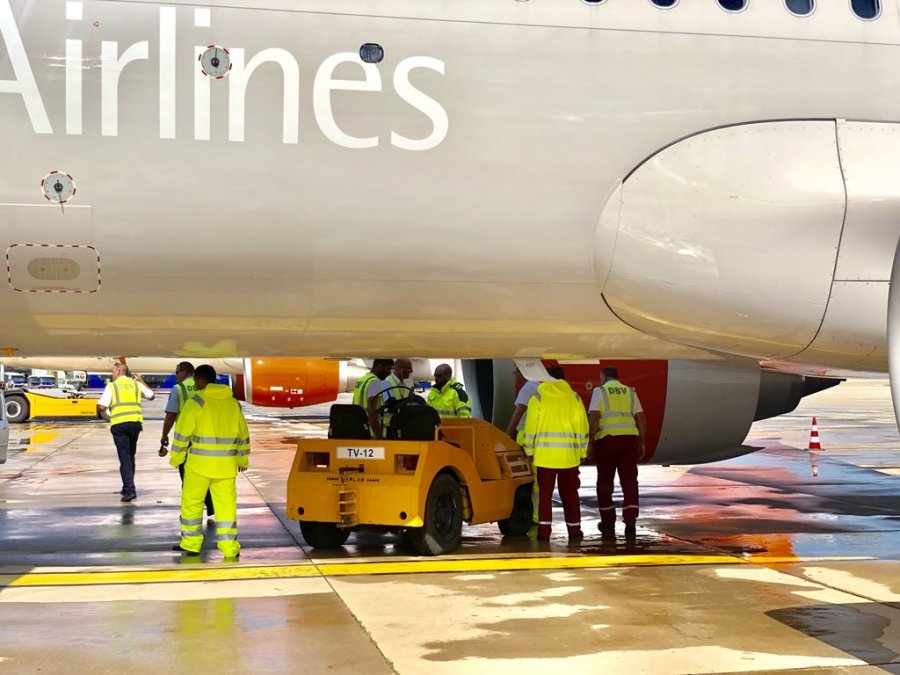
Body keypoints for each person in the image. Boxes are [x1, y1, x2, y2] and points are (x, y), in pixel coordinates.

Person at [169, 364, 250, 558]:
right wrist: (242, 459)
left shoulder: (196, 402)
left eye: (196, 380)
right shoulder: (233, 403)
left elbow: (182, 434)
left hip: (199, 466)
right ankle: (230, 548)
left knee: (192, 503)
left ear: (201, 380)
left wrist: (176, 458)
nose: (195, 383)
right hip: (226, 466)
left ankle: (191, 544)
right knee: (226, 507)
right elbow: (243, 434)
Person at [521, 365, 588, 541]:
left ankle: (544, 532)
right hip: (569, 458)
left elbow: (530, 428)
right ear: (563, 379)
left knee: (545, 495)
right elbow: (583, 427)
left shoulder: (538, 398)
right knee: (570, 494)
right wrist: (582, 452)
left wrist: (529, 450)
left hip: (545, 457)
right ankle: (574, 530)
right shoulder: (574, 398)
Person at [588, 366, 647, 537]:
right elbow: (641, 418)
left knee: (605, 481)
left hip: (608, 440)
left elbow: (594, 417)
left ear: (604, 377)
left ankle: (608, 521)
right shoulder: (630, 392)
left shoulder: (600, 392)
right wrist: (642, 442)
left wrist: (589, 442)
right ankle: (630, 519)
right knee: (629, 481)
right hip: (629, 441)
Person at [159, 361, 214, 519]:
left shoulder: (179, 389)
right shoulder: (209, 387)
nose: (176, 375)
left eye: (177, 372)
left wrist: (164, 435)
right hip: (207, 439)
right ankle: (210, 504)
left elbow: (171, 415)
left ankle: (190, 512)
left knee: (188, 478)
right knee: (204, 474)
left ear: (186, 372)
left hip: (187, 440)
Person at [96, 363, 155, 502]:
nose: (112, 374)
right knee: (130, 456)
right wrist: (142, 381)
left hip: (120, 425)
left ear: (118, 371)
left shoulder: (113, 386)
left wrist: (109, 415)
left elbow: (102, 406)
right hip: (135, 423)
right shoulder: (136, 384)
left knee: (125, 459)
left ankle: (130, 490)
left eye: (113, 371)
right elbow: (151, 396)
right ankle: (127, 486)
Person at [352, 359, 394, 437]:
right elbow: (372, 411)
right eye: (388, 369)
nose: (389, 373)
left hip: (359, 427)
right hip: (370, 432)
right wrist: (378, 434)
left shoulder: (362, 379)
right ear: (380, 367)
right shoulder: (375, 382)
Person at [380, 358, 413, 435]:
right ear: (400, 368)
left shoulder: (403, 384)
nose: (411, 371)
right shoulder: (387, 383)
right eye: (409, 368)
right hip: (389, 429)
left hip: (399, 426)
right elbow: (391, 407)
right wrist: (409, 398)